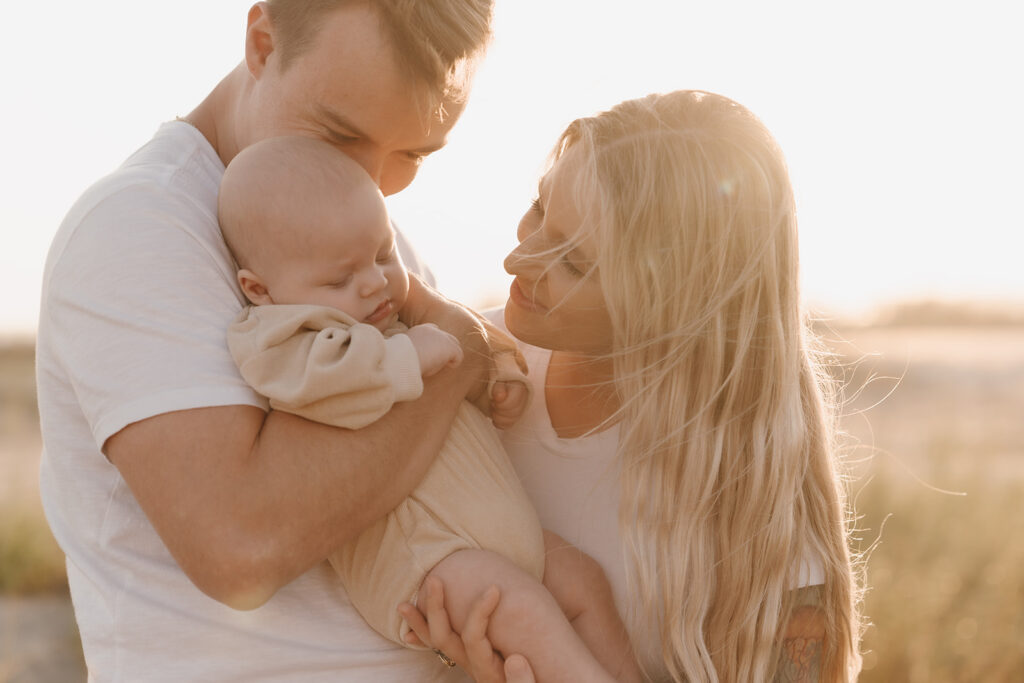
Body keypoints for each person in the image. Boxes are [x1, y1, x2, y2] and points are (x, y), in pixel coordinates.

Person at [34, 1, 515, 680]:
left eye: (413, 153)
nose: (375, 181)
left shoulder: (370, 233)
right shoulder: (138, 228)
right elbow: (241, 545)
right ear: (262, 42)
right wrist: (455, 353)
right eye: (341, 133)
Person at [402, 90, 865, 682]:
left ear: (675, 305)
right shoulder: (466, 366)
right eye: (539, 211)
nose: (518, 258)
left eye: (574, 264)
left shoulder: (754, 488)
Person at [217, 134, 641, 682]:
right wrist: (408, 355)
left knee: (584, 581)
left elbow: (473, 342)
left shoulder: (384, 314)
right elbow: (317, 381)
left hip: (500, 536)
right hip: (426, 558)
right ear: (260, 288)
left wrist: (496, 378)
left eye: (382, 254)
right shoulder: (283, 335)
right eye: (341, 278)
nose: (373, 283)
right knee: (526, 614)